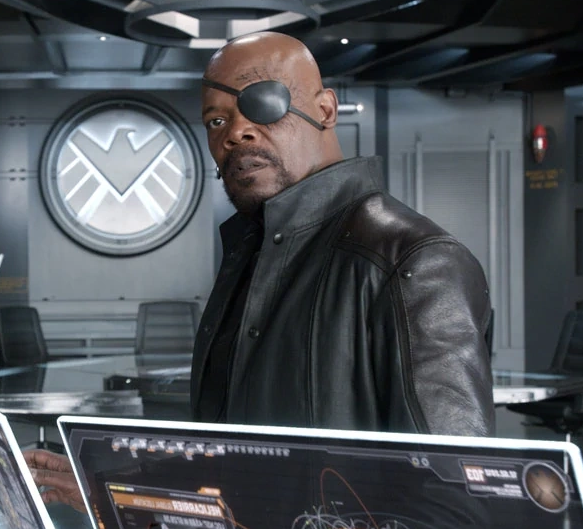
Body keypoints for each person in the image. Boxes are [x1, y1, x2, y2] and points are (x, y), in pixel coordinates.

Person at [27, 31, 494, 501]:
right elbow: (233, 462)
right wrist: (115, 485)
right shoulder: (251, 256)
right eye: (216, 121)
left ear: (325, 110)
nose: (235, 132)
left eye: (262, 103)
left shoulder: (413, 260)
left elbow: (455, 498)